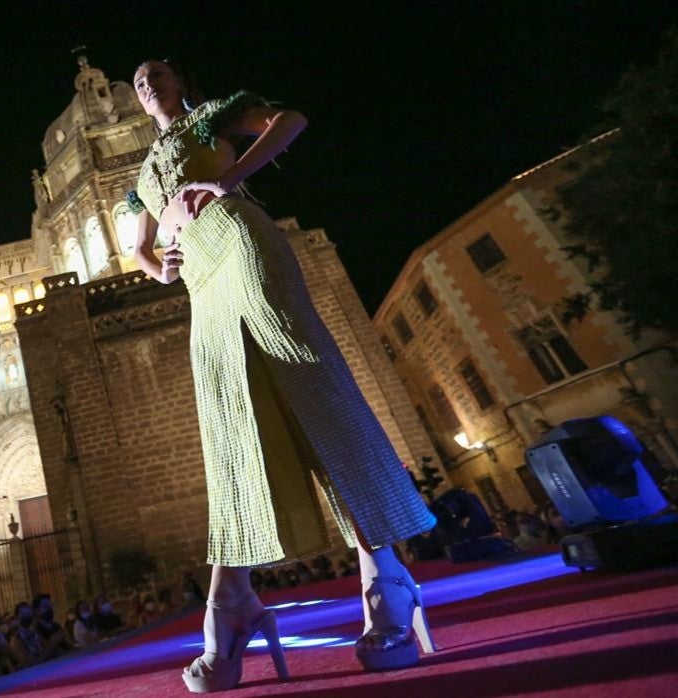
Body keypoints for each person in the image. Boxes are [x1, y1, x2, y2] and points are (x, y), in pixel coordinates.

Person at [128, 58, 438, 691]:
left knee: (307, 383)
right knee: (227, 418)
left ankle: (383, 566)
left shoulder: (212, 118)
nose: (146, 83)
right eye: (138, 81)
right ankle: (234, 593)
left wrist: (229, 179)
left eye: (157, 73)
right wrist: (158, 265)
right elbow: (139, 243)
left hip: (241, 239)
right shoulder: (140, 176)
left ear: (181, 82)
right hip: (199, 281)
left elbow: (289, 120)